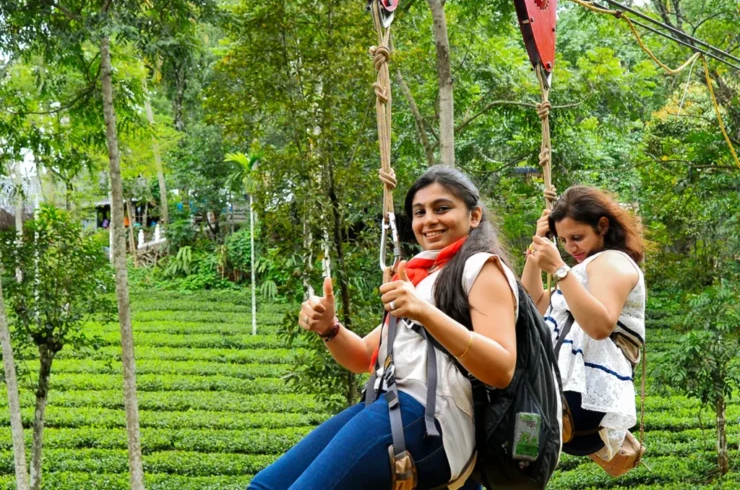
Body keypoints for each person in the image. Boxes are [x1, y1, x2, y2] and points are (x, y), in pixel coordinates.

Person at [249, 166, 519, 490]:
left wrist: (424, 312)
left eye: (442, 208)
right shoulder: (421, 277)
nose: (429, 220)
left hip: (430, 416)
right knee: (266, 485)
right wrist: (329, 328)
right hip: (389, 403)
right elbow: (364, 356)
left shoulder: (481, 268)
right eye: (419, 212)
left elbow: (501, 368)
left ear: (474, 216)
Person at [521, 185, 645, 461]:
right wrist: (537, 244)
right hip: (565, 394)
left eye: (577, 237)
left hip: (581, 396)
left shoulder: (611, 262)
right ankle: (522, 463)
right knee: (521, 451)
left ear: (602, 226)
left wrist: (558, 269)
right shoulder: (583, 271)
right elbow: (533, 304)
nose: (570, 247)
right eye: (563, 240)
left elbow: (600, 327)